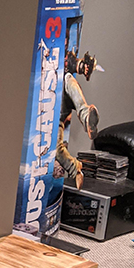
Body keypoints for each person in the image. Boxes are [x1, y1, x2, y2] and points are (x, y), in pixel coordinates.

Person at [55, 51, 100, 189]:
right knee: (56, 149)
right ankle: (75, 168)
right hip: (53, 103)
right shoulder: (67, 55)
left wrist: (85, 66)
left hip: (60, 107)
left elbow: (74, 67)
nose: (85, 70)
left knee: (69, 80)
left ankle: (87, 118)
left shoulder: (69, 78)